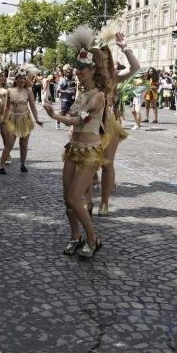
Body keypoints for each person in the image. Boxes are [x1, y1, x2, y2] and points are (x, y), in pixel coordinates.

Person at [43, 26, 110, 258]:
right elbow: (75, 116)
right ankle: (75, 236)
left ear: (92, 70)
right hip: (73, 149)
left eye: (82, 69)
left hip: (90, 150)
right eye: (77, 68)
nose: (78, 72)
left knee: (74, 197)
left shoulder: (98, 96)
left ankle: (93, 239)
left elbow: (79, 121)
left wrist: (54, 117)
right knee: (67, 198)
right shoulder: (80, 94)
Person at [95, 28, 140, 216]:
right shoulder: (85, 76)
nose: (103, 61)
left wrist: (125, 48)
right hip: (89, 122)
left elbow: (135, 67)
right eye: (99, 58)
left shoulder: (114, 77)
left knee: (107, 163)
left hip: (109, 122)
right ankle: (87, 199)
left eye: (106, 58)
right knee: (86, 164)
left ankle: (104, 203)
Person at [0, 66, 43, 174]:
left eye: (24, 78)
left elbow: (32, 106)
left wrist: (37, 119)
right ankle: (1, 166)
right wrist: (3, 119)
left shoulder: (28, 91)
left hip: (25, 119)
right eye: (20, 78)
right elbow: (7, 107)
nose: (22, 80)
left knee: (23, 145)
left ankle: (23, 164)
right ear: (16, 79)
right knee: (9, 144)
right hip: (12, 119)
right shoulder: (9, 90)